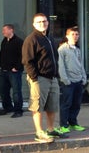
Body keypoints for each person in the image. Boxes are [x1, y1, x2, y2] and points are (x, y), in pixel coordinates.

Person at [22, 13, 65, 143]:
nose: (43, 24)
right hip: (40, 78)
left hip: (52, 77)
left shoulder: (49, 38)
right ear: (34, 24)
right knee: (38, 106)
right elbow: (27, 61)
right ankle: (39, 132)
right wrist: (34, 78)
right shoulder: (31, 39)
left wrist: (56, 74)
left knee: (52, 106)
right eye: (39, 22)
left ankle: (50, 129)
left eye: (44, 21)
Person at [55, 26, 87, 134]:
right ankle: (64, 125)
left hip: (78, 81)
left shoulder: (77, 50)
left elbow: (80, 64)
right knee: (66, 104)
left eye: (77, 34)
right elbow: (61, 65)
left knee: (76, 104)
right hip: (68, 82)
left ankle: (73, 123)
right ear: (67, 36)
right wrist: (65, 79)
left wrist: (84, 77)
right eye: (72, 34)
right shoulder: (62, 49)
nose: (75, 36)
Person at [0, 24, 25, 118]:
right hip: (4, 70)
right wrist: (1, 64)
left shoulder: (19, 41)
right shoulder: (4, 41)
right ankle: (8, 108)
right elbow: (1, 54)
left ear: (11, 30)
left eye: (4, 30)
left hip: (14, 71)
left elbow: (22, 56)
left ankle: (18, 110)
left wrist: (17, 67)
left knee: (16, 91)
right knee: (3, 90)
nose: (3, 32)